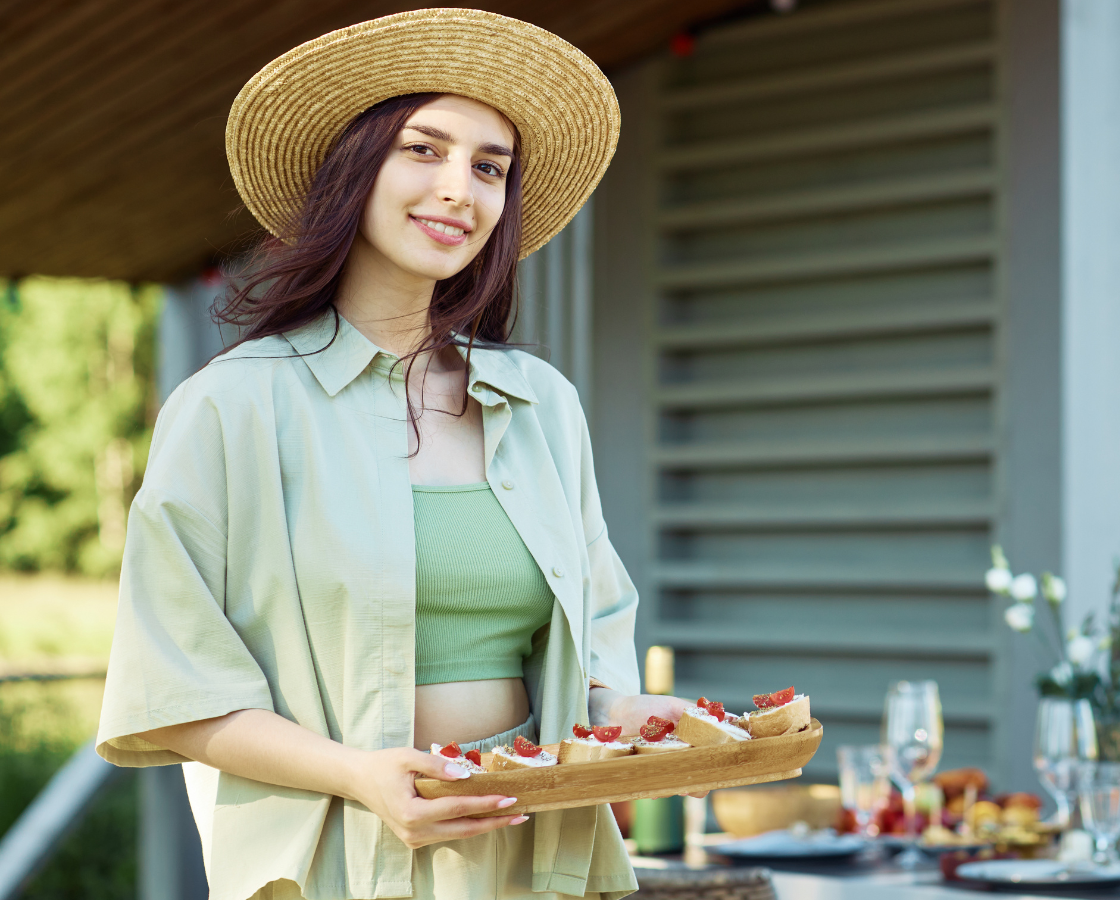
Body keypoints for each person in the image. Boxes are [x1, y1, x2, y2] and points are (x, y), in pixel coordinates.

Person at [94, 10, 680, 900]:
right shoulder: (232, 408)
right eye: (424, 149)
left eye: (490, 167)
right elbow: (175, 694)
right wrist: (360, 775)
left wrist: (622, 712)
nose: (461, 189)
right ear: (352, 169)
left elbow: (594, 641)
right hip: (341, 857)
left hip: (535, 856)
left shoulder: (542, 405)